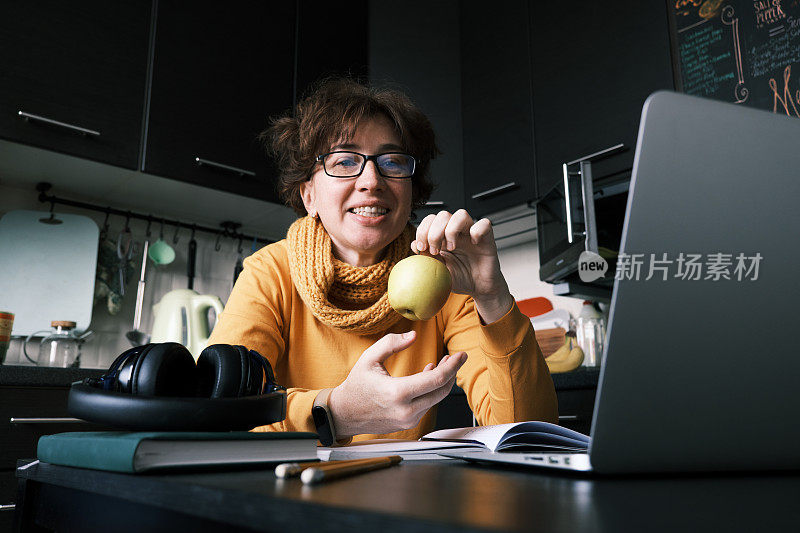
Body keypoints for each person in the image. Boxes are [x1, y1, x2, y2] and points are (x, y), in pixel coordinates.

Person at [207, 78, 557, 443]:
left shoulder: (446, 274)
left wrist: (493, 297)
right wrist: (334, 412)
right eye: (344, 161)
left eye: (392, 161)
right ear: (308, 194)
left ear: (411, 191)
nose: (371, 181)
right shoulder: (271, 272)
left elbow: (526, 432)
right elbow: (221, 410)